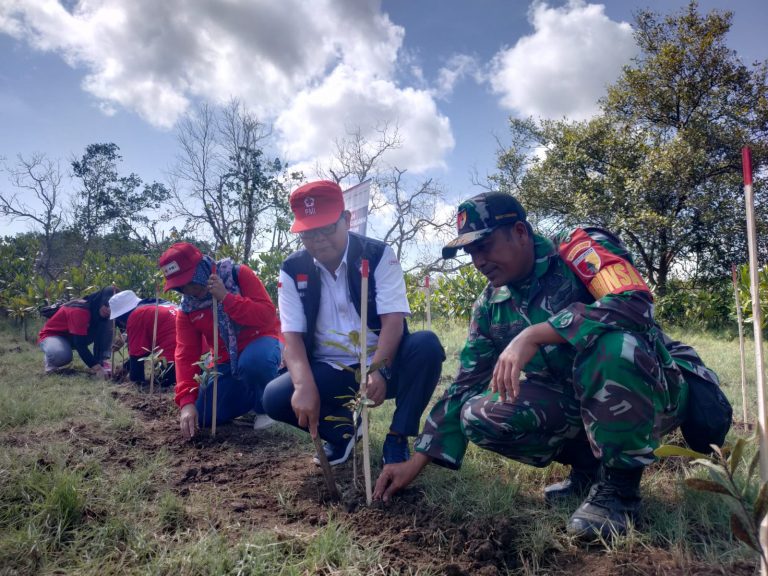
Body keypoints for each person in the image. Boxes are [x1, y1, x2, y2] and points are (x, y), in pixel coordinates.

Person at [373, 192, 725, 539]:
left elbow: (633, 303)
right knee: (477, 414)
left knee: (611, 346)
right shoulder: (491, 305)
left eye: (484, 245)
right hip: (577, 398)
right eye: (470, 252)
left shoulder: (577, 250)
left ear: (521, 233)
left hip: (653, 387)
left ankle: (619, 491)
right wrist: (416, 461)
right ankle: (589, 470)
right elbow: (464, 384)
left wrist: (536, 334)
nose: (477, 260)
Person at [262, 180, 445, 466]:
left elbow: (393, 320)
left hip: (384, 361)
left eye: (326, 228)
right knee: (275, 397)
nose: (319, 239)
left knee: (426, 346)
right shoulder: (291, 269)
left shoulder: (377, 255)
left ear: (346, 220)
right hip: (330, 367)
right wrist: (303, 385)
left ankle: (398, 437)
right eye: (309, 233)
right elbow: (292, 337)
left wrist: (380, 370)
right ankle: (342, 433)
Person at [158, 242, 282, 440]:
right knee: (204, 415)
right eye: (180, 286)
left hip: (262, 343)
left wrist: (227, 298)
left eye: (190, 280)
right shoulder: (188, 309)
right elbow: (185, 354)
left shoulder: (238, 274)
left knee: (254, 362)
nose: (188, 289)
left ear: (201, 269)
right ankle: (260, 392)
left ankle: (267, 404)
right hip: (226, 362)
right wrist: (187, 401)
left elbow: (267, 315)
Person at [38, 286, 117, 378]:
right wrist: (97, 368)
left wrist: (123, 336)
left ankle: (101, 360)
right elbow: (80, 344)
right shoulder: (80, 309)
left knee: (108, 323)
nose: (109, 309)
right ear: (100, 300)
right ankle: (51, 360)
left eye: (113, 307)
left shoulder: (102, 313)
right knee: (61, 356)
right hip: (53, 335)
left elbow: (123, 324)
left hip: (73, 336)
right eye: (107, 304)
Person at [108, 289, 178, 387]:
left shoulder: (136, 315)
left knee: (162, 382)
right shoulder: (156, 305)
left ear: (123, 315)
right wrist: (127, 367)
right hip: (191, 354)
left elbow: (137, 354)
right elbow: (146, 348)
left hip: (174, 358)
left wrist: (136, 382)